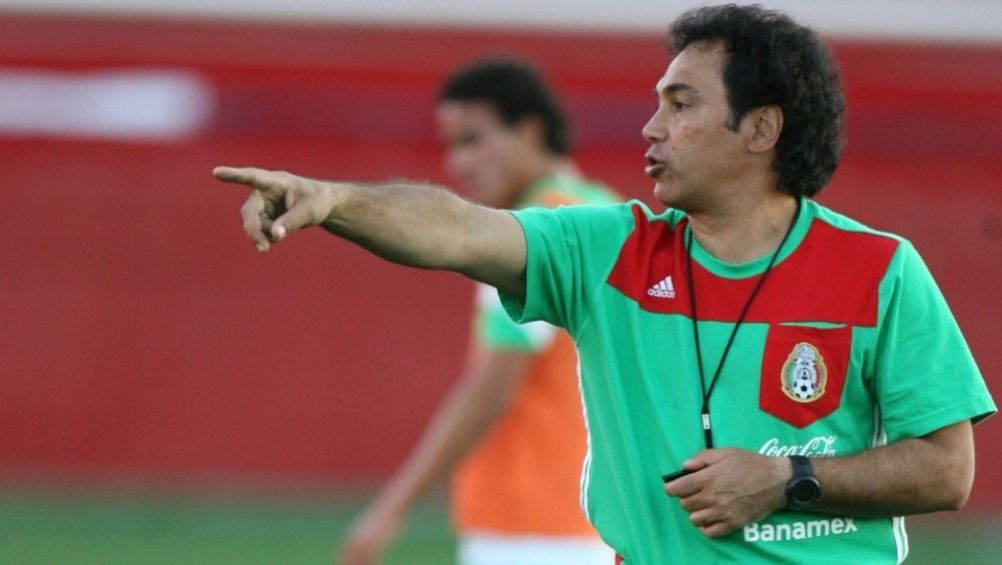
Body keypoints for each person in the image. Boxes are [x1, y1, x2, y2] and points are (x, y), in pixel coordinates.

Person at [215, 4, 996, 563]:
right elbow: (456, 227)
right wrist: (338, 201)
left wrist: (786, 480)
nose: (652, 128)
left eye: (680, 104)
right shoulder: (608, 250)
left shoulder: (881, 269)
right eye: (657, 103)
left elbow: (948, 468)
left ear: (761, 129)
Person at [335, 58, 618, 565]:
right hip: (598, 521)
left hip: (527, 524)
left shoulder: (533, 232)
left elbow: (492, 389)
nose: (458, 164)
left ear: (529, 131)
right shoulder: (603, 209)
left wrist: (390, 509)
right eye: (451, 146)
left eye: (472, 140)